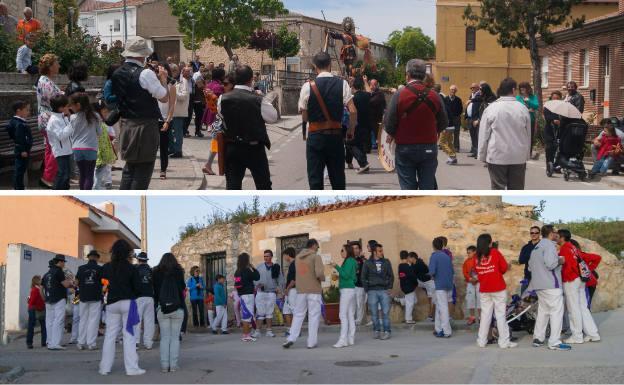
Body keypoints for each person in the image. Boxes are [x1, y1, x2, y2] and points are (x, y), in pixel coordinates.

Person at [111, 36, 170, 190]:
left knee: (129, 169)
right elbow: (164, 97)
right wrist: (163, 79)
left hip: (126, 125)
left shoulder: (117, 73)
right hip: (144, 126)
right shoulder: (145, 74)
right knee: (143, 170)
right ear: (142, 54)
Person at [384, 59, 448, 190]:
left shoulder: (399, 95)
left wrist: (395, 133)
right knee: (428, 186)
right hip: (429, 146)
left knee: (408, 188)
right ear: (424, 75)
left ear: (407, 75)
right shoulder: (435, 96)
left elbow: (389, 123)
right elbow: (443, 122)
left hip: (405, 147)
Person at [299, 52, 356, 190]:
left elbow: (304, 115)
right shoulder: (342, 84)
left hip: (315, 136)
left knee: (315, 181)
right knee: (338, 181)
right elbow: (353, 111)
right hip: (335, 136)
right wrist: (350, 130)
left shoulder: (307, 86)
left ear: (314, 66)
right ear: (330, 65)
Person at [219, 65, 278, 189]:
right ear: (251, 79)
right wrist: (261, 97)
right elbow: (273, 117)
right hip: (254, 149)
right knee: (264, 186)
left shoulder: (222, 99)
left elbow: (221, 115)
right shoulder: (258, 99)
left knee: (233, 187)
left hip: (232, 147)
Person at [99, 240, 144, 376]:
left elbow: (101, 283)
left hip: (112, 303)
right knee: (129, 335)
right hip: (128, 303)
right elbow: (138, 288)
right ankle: (131, 368)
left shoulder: (106, 267)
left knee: (110, 336)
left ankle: (104, 368)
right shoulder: (132, 268)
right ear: (127, 252)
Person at [478, 78, 531, 190]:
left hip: (497, 156)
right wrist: (526, 154)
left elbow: (484, 135)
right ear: (513, 90)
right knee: (517, 189)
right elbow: (528, 134)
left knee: (498, 189)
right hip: (518, 156)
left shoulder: (491, 108)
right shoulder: (522, 108)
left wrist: (482, 155)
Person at [528, 225, 571, 351]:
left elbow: (530, 267)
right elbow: (551, 264)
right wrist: (561, 260)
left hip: (539, 285)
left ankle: (538, 338)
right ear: (551, 233)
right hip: (551, 285)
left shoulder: (536, 247)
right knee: (556, 312)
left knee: (543, 312)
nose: (556, 234)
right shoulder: (549, 245)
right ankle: (554, 342)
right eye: (555, 232)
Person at [474, 234, 517, 349]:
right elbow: (503, 268)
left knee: (485, 316)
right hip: (498, 288)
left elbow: (477, 273)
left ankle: (481, 341)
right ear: (489, 243)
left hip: (484, 289)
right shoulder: (495, 252)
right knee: (500, 315)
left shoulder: (476, 257)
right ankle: (504, 342)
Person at [558, 230, 600, 344]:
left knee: (573, 309)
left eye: (557, 236)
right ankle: (593, 334)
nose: (556, 238)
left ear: (562, 238)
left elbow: (570, 265)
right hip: (580, 280)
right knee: (583, 307)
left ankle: (577, 336)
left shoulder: (565, 248)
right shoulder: (573, 247)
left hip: (571, 280)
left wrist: (565, 277)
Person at [283, 239, 325, 349]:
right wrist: (322, 278)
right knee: (313, 315)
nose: (318, 249)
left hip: (301, 290)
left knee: (298, 314)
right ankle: (311, 342)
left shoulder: (297, 258)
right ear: (314, 245)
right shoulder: (316, 257)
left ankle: (291, 338)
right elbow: (319, 273)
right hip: (313, 290)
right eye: (317, 246)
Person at [152, 253, 185, 373]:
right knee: (175, 338)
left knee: (165, 338)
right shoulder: (178, 271)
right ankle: (174, 365)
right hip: (177, 308)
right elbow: (182, 287)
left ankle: (164, 366)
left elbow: (154, 291)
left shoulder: (155, 272)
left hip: (162, 308)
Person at [37, 54, 63, 188]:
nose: (59, 65)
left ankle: (48, 176)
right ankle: (47, 177)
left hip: (46, 118)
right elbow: (56, 100)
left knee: (50, 148)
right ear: (50, 66)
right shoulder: (46, 81)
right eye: (56, 63)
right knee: (55, 149)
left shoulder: (45, 80)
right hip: (49, 119)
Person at [69, 93, 102, 190]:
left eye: (72, 104)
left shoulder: (72, 117)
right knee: (89, 174)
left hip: (76, 148)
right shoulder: (95, 116)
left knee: (82, 174)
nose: (71, 107)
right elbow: (99, 132)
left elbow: (71, 132)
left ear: (78, 105)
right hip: (90, 148)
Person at [361, 244, 394, 340]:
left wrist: (389, 287)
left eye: (382, 250)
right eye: (380, 251)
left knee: (385, 312)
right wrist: (367, 289)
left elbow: (391, 276)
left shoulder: (386, 262)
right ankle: (376, 330)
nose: (382, 252)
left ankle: (387, 331)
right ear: (374, 252)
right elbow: (363, 277)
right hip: (372, 291)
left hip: (384, 290)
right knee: (374, 313)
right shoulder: (367, 263)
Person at [42, 254, 73, 350]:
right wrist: (71, 283)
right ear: (59, 262)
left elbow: (41, 288)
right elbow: (66, 284)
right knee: (58, 320)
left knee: (49, 321)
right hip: (59, 299)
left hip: (48, 299)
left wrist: (44, 298)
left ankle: (49, 341)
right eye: (63, 262)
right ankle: (55, 343)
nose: (64, 264)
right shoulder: (59, 271)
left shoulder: (46, 274)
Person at [330, 244, 358, 348]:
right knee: (350, 314)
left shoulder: (349, 261)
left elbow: (346, 275)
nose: (341, 252)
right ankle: (350, 338)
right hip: (349, 289)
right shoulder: (351, 261)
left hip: (347, 290)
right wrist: (339, 275)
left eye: (342, 250)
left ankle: (343, 340)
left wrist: (336, 266)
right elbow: (351, 277)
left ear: (347, 251)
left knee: (342, 315)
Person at [75, 250, 102, 350]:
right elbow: (104, 282)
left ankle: (80, 343)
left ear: (89, 257)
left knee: (83, 320)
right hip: (95, 297)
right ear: (96, 258)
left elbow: (76, 283)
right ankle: (91, 343)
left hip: (83, 297)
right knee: (93, 321)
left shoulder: (81, 268)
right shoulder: (99, 268)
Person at [254, 249, 284, 338]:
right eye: (264, 256)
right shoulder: (259, 267)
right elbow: (254, 278)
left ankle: (269, 331)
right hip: (261, 293)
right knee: (260, 312)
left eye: (267, 256)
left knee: (269, 312)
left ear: (271, 257)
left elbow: (281, 280)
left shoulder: (276, 267)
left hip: (271, 292)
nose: (266, 258)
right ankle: (257, 331)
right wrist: (257, 284)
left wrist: (280, 290)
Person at [429, 237, 454, 338]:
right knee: (440, 307)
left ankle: (446, 331)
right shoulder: (446, 256)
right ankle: (438, 329)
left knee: (442, 308)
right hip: (448, 284)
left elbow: (432, 272)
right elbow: (452, 271)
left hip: (440, 285)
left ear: (433, 246)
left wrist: (431, 276)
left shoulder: (434, 256)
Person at [46, 95, 72, 190]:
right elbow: (61, 136)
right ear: (61, 108)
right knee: (62, 174)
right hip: (60, 151)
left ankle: (65, 191)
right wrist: (71, 124)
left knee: (66, 174)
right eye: (66, 106)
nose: (68, 108)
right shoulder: (54, 120)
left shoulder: (62, 117)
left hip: (67, 150)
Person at [156, 63, 177, 180]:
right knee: (151, 147)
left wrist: (167, 121)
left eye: (164, 70)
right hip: (153, 120)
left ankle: (163, 170)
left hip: (165, 120)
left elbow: (172, 106)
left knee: (164, 147)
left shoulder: (171, 86)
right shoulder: (153, 85)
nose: (162, 72)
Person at [234, 253, 260, 342]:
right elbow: (257, 277)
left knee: (246, 315)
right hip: (248, 295)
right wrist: (253, 268)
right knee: (247, 316)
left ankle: (246, 334)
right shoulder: (247, 270)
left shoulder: (237, 272)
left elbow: (237, 285)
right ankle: (246, 335)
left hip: (242, 295)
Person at [348, 76, 371, 173]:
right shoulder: (367, 95)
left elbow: (351, 113)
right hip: (366, 124)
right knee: (360, 145)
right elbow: (369, 91)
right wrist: (365, 81)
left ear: (353, 87)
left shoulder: (353, 98)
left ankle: (363, 163)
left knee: (350, 144)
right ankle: (364, 165)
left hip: (357, 124)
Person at [7, 100, 32, 190]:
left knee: (21, 169)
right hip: (22, 150)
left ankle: (19, 187)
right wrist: (23, 150)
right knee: (20, 170)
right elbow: (18, 138)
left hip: (22, 149)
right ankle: (19, 188)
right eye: (26, 110)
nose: (28, 112)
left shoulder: (16, 122)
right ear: (19, 111)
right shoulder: (19, 124)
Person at [570, 240, 601, 309]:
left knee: (586, 306)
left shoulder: (581, 255)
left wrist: (589, 268)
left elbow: (598, 257)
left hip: (589, 283)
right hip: (583, 283)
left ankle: (587, 319)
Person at [168, 65, 191, 157]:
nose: (173, 71)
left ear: (179, 71)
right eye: (172, 70)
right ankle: (172, 148)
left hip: (178, 111)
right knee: (168, 131)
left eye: (175, 70)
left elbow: (184, 96)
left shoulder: (183, 81)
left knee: (177, 132)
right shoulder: (172, 81)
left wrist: (173, 92)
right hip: (171, 110)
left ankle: (178, 151)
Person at [134, 252, 155, 350]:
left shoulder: (135, 269)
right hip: (150, 297)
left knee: (137, 321)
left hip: (138, 297)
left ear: (138, 260)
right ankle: (148, 343)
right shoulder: (151, 270)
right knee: (149, 321)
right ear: (146, 260)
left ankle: (136, 342)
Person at [412, 251, 435, 321]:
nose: (408, 260)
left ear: (413, 258)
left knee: (432, 300)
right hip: (426, 283)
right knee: (431, 300)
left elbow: (426, 274)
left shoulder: (419, 264)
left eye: (409, 258)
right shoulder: (414, 265)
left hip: (429, 283)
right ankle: (431, 316)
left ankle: (431, 316)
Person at [516, 82, 539, 153]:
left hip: (530, 119)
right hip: (520, 119)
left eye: (524, 87)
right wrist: (527, 110)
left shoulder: (533, 97)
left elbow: (536, 106)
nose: (522, 89)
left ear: (528, 88)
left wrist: (528, 101)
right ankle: (520, 151)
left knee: (530, 136)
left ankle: (529, 152)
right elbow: (516, 107)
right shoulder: (518, 97)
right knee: (520, 136)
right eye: (520, 87)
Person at [518, 226, 541, 294]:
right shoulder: (526, 247)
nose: (534, 234)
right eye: (532, 233)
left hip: (540, 277)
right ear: (530, 234)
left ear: (539, 234)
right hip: (528, 277)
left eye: (536, 233)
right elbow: (521, 260)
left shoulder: (543, 246)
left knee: (539, 300)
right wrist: (531, 255)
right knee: (523, 298)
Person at [544, 91, 563, 170]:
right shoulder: (547, 106)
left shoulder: (562, 107)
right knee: (549, 148)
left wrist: (561, 122)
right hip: (549, 130)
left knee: (558, 149)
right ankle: (549, 165)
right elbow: (547, 117)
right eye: (554, 98)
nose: (555, 100)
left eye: (557, 98)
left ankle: (556, 166)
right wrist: (553, 120)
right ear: (551, 98)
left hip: (559, 130)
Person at [26, 275, 46, 349]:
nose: (41, 281)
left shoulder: (35, 289)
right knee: (41, 326)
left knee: (32, 326)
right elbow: (33, 301)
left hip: (35, 309)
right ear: (37, 281)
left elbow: (31, 301)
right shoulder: (36, 290)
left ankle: (30, 343)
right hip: (35, 309)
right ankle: (40, 342)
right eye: (40, 279)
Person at [398, 250, 417, 324]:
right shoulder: (408, 267)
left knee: (414, 300)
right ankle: (408, 319)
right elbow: (413, 277)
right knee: (410, 303)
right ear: (407, 257)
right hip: (409, 287)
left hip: (404, 286)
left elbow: (401, 276)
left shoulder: (400, 266)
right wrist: (415, 284)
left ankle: (401, 300)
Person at [462, 245, 480, 325]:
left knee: (480, 299)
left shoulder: (480, 260)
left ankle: (480, 317)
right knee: (470, 299)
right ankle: (472, 317)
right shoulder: (466, 262)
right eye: (467, 253)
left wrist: (477, 279)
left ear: (474, 252)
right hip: (470, 283)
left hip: (479, 282)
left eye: (469, 253)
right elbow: (465, 272)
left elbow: (482, 270)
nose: (468, 254)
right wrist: (470, 279)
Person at [281, 247, 297, 336]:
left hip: (293, 290)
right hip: (290, 291)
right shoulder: (292, 264)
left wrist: (287, 289)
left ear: (288, 255)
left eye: (284, 255)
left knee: (294, 310)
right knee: (286, 310)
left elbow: (294, 280)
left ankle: (295, 331)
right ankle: (289, 329)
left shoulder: (294, 264)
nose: (284, 258)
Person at [351, 241, 368, 326]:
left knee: (360, 303)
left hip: (360, 285)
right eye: (353, 248)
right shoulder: (350, 260)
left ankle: (358, 321)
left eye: (357, 248)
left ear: (360, 249)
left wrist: (363, 258)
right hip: (351, 286)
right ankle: (353, 320)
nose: (355, 250)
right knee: (352, 303)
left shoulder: (363, 259)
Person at [368, 78, 386, 152]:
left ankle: (375, 144)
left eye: (372, 84)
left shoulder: (379, 93)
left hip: (376, 116)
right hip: (371, 116)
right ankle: (373, 143)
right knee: (373, 130)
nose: (371, 86)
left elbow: (371, 102)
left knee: (375, 130)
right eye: (371, 84)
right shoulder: (373, 93)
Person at [444, 85, 463, 152]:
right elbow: (444, 109)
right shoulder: (445, 99)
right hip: (448, 119)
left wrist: (456, 115)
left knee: (456, 133)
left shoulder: (458, 99)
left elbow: (461, 109)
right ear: (450, 90)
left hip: (456, 119)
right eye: (452, 89)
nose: (453, 91)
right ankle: (448, 147)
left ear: (456, 91)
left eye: (454, 90)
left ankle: (456, 147)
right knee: (448, 134)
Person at [466, 83, 482, 157]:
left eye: (473, 87)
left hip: (475, 118)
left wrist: (471, 100)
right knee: (472, 135)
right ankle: (474, 151)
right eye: (471, 88)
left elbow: (479, 99)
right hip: (470, 118)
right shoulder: (471, 95)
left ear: (477, 88)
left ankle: (478, 152)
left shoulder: (479, 95)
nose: (472, 89)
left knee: (477, 136)